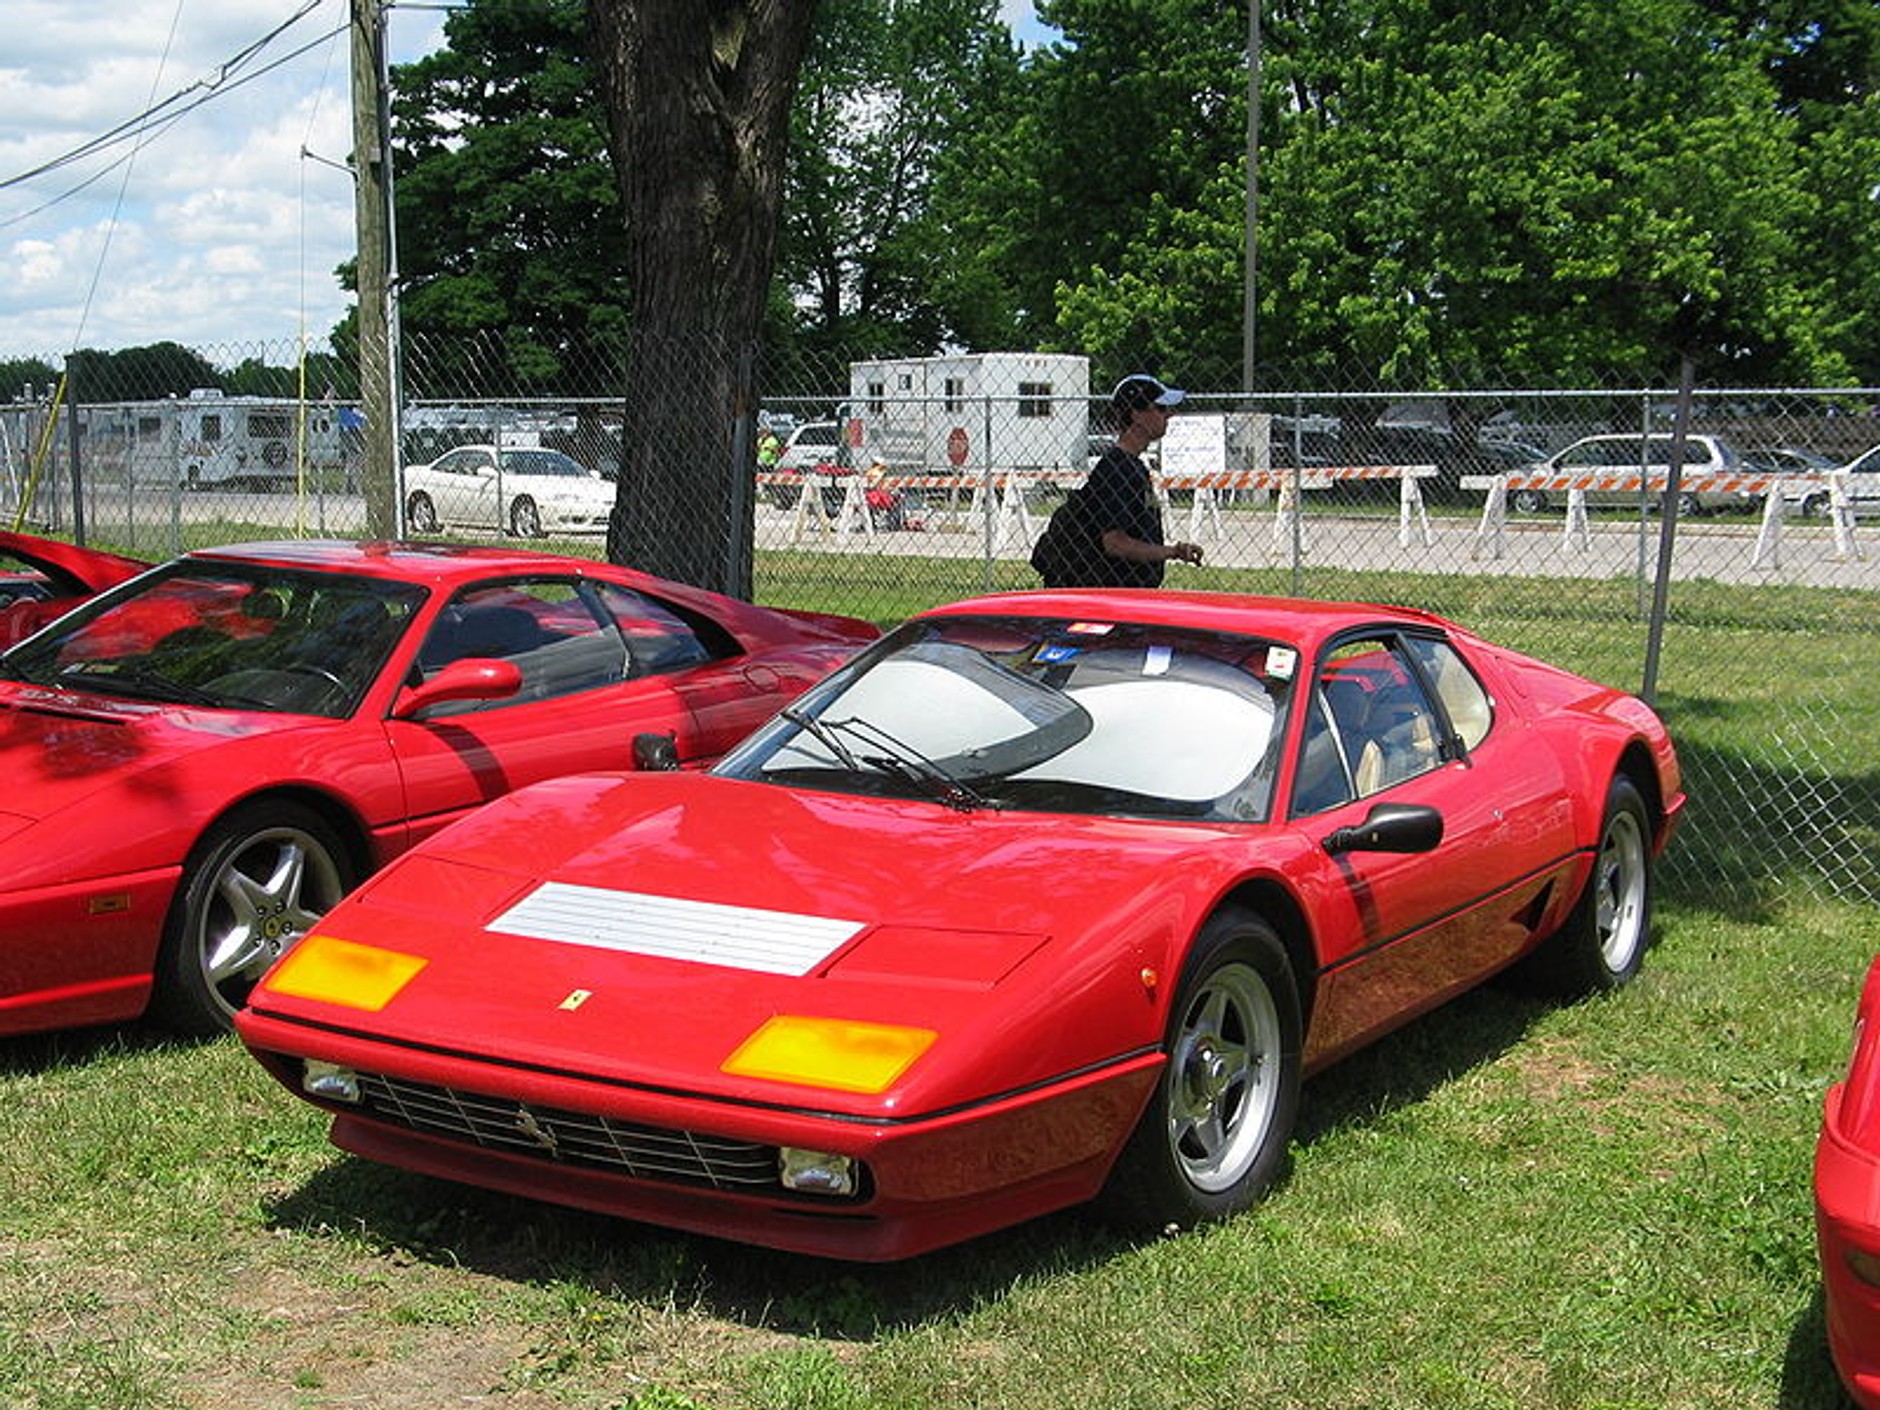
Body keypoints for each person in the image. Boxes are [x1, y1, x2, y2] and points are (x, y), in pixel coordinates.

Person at [1032, 373, 1203, 587]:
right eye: (1160, 408)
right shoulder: (1116, 470)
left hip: (1123, 591)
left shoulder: (1132, 466)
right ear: (1137, 415)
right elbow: (1115, 543)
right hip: (1109, 593)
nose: (1169, 414)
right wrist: (1173, 552)